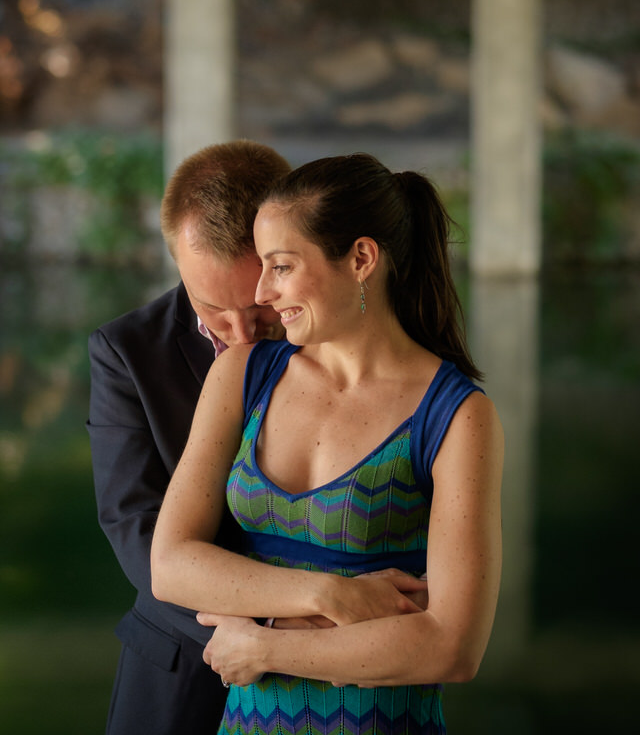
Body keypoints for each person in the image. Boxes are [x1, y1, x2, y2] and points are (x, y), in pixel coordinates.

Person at [151, 152, 504, 735]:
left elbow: (452, 647)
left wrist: (265, 648)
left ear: (362, 258)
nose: (263, 292)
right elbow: (172, 565)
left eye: (282, 266)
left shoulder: (457, 415)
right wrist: (329, 595)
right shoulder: (243, 374)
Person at [87, 140, 292, 735]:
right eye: (212, 310)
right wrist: (269, 629)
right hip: (179, 666)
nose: (238, 339)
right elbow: (135, 526)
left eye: (259, 314)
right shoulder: (126, 352)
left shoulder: (342, 340)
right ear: (175, 257)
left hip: (334, 670)